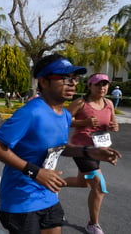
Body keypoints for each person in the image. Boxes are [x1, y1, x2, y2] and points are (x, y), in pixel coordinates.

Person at [0, 54, 121, 234]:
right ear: (44, 82)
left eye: (74, 78)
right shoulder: (31, 112)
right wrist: (36, 172)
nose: (72, 83)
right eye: (64, 78)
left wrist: (90, 152)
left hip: (48, 194)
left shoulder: (64, 115)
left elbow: (58, 148)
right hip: (21, 198)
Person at [65, 73, 119, 234]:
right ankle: (93, 224)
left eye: (105, 84)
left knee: (83, 182)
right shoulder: (81, 103)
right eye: (98, 84)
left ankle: (51, 183)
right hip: (81, 149)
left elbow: (111, 123)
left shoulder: (109, 103)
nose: (102, 87)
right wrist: (84, 122)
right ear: (89, 86)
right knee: (99, 184)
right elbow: (62, 120)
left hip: (99, 149)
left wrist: (113, 126)